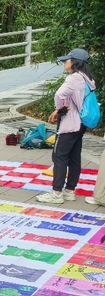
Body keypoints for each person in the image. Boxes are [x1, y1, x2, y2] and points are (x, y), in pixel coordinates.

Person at [37, 48, 95, 205]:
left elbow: (59, 94)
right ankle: (70, 191)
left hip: (70, 123)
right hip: (81, 124)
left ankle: (56, 193)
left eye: (67, 60)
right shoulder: (87, 78)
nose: (65, 62)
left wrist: (59, 109)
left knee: (59, 156)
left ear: (75, 62)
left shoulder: (74, 78)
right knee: (74, 157)